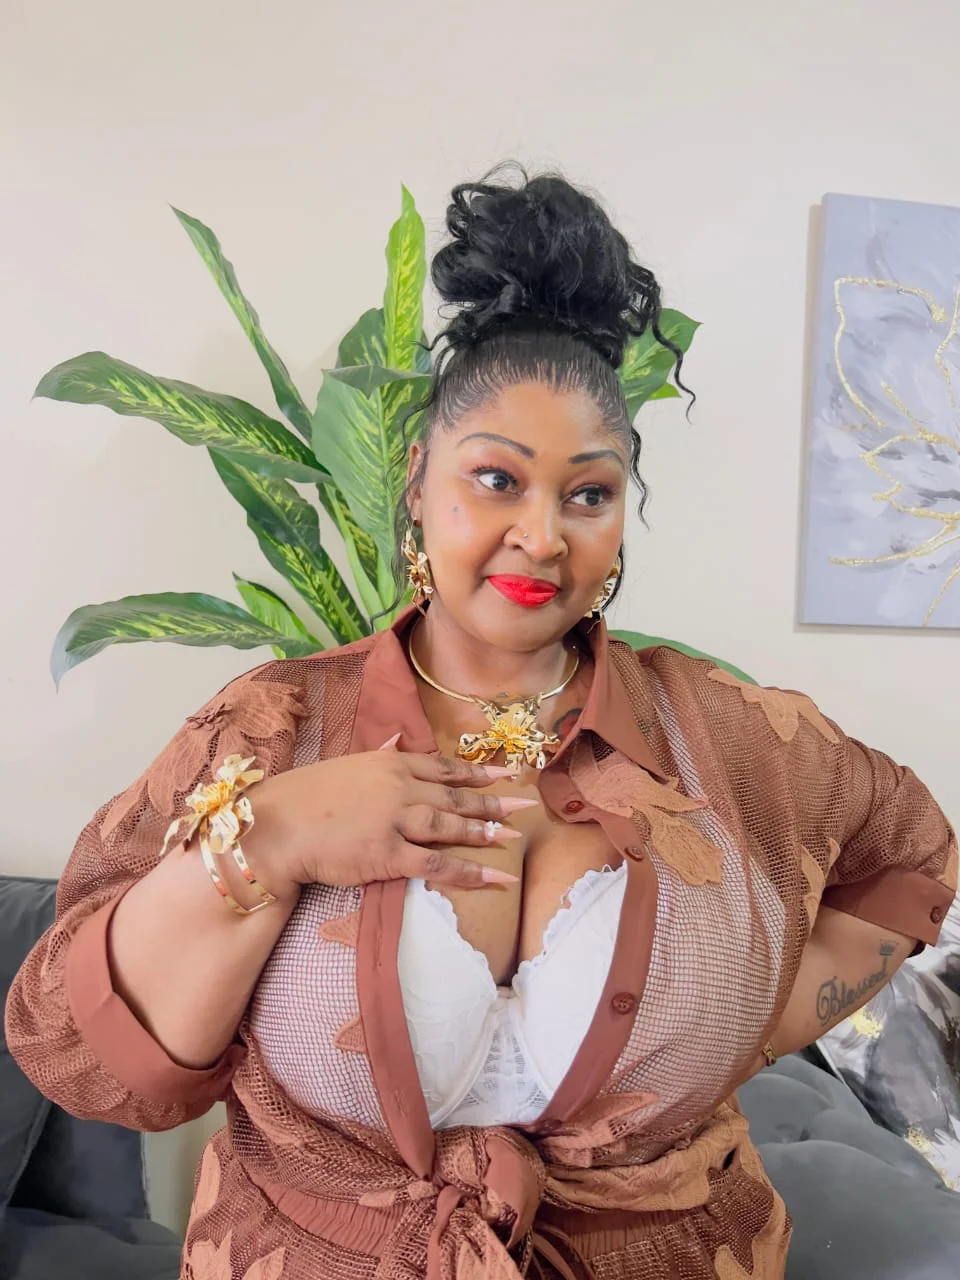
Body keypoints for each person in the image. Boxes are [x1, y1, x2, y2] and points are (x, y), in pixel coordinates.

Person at [6, 170, 956, 1280]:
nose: (542, 536)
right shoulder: (274, 726)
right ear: (417, 483)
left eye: (589, 494)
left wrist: (760, 1022)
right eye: (497, 479)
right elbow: (87, 1051)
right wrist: (272, 834)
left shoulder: (729, 736)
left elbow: (910, 857)